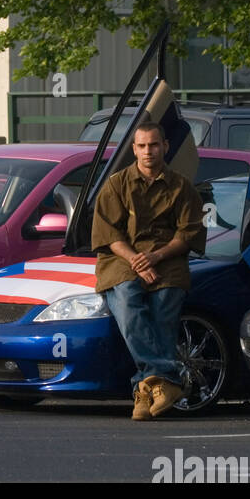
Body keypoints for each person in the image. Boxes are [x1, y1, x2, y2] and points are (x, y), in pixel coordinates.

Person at [91, 121, 206, 421]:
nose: (148, 151)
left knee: (164, 307)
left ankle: (143, 391)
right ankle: (166, 379)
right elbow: (109, 235)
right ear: (133, 149)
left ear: (165, 146)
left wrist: (155, 256)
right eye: (141, 146)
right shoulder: (116, 184)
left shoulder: (182, 187)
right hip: (122, 260)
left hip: (167, 259)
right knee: (129, 301)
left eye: (154, 145)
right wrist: (137, 261)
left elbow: (188, 236)